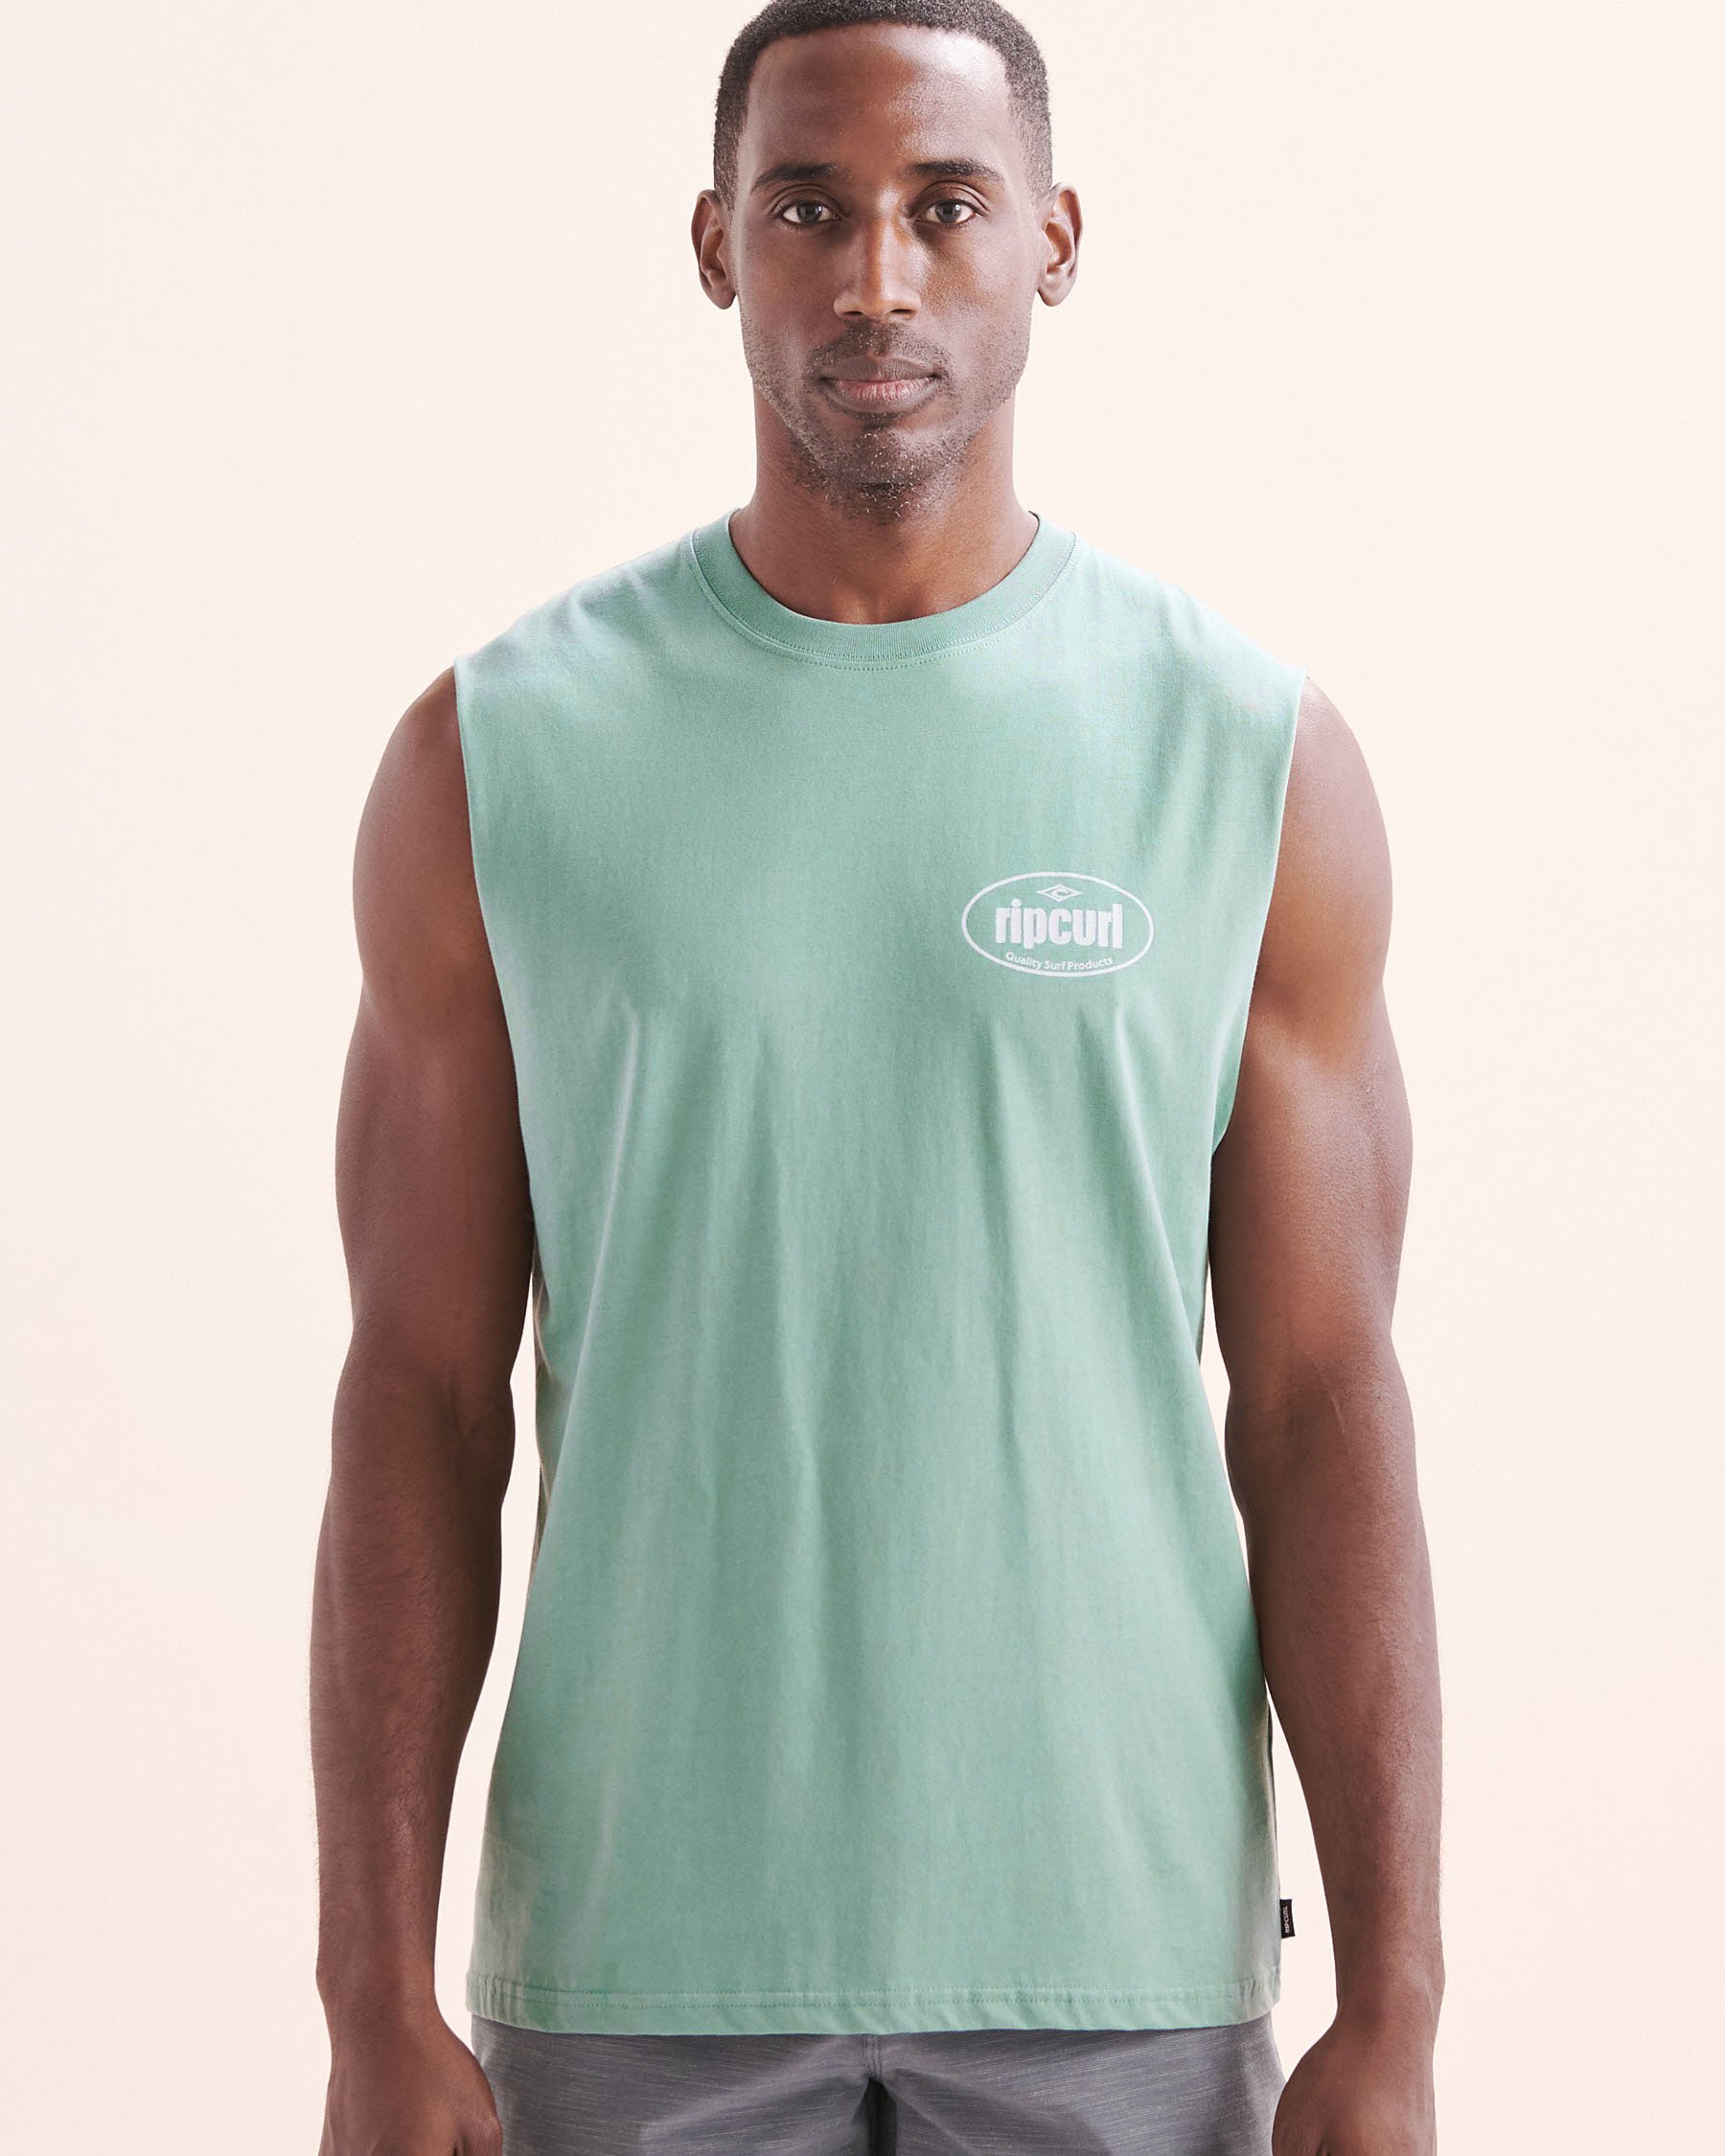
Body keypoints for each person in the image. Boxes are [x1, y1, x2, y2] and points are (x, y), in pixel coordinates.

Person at [310, 2, 1444, 2150]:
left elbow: (1320, 1401)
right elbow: (416, 1397)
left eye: (946, 206)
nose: (877, 279)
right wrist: (370, 1991)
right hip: (642, 1958)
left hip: (1110, 1953)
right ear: (718, 243)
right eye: (811, 211)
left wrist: (1395, 2001)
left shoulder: (1249, 758)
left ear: (1056, 239)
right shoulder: (498, 757)